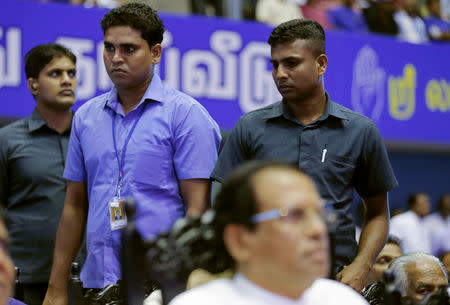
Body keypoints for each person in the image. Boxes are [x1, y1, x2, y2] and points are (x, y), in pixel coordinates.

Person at [43, 3, 221, 305]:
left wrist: (182, 283)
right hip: (95, 283)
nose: (115, 59)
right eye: (109, 48)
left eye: (128, 49)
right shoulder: (85, 117)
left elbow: (198, 212)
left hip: (162, 286)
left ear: (155, 53)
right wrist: (56, 287)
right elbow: (74, 206)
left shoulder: (187, 116)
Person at [211, 18, 398, 292]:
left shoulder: (360, 131)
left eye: (291, 63)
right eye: (274, 65)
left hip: (335, 280)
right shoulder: (250, 127)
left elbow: (379, 213)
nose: (280, 74)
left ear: (321, 64)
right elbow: (222, 205)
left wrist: (362, 264)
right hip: (262, 278)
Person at [170, 161, 369, 305]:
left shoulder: (343, 299)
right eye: (294, 215)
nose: (318, 230)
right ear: (239, 240)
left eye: (320, 214)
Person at [0, 43, 78, 305]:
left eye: (71, 73)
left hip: (85, 278)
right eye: (55, 74)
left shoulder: (91, 135)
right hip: (26, 280)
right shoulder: (7, 140)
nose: (67, 80)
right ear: (33, 85)